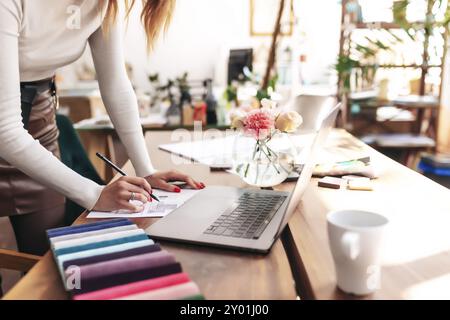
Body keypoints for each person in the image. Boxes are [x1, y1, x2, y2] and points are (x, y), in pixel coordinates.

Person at [0, 0, 204, 255]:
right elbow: (5, 130)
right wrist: (95, 194)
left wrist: (146, 171)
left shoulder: (107, 3)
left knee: (43, 260)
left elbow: (116, 85)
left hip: (38, 118)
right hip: (7, 126)